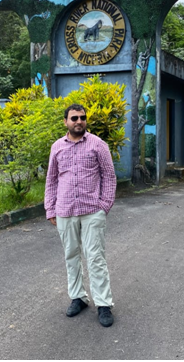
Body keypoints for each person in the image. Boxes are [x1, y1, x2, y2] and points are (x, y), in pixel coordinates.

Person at [45, 103, 117, 327]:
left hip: (92, 212)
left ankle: (103, 304)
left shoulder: (98, 145)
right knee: (71, 256)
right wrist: (50, 208)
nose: (79, 121)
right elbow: (52, 179)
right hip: (65, 211)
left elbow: (109, 176)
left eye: (82, 118)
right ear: (65, 121)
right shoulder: (57, 147)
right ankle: (78, 298)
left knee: (95, 257)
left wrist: (104, 205)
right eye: (74, 118)